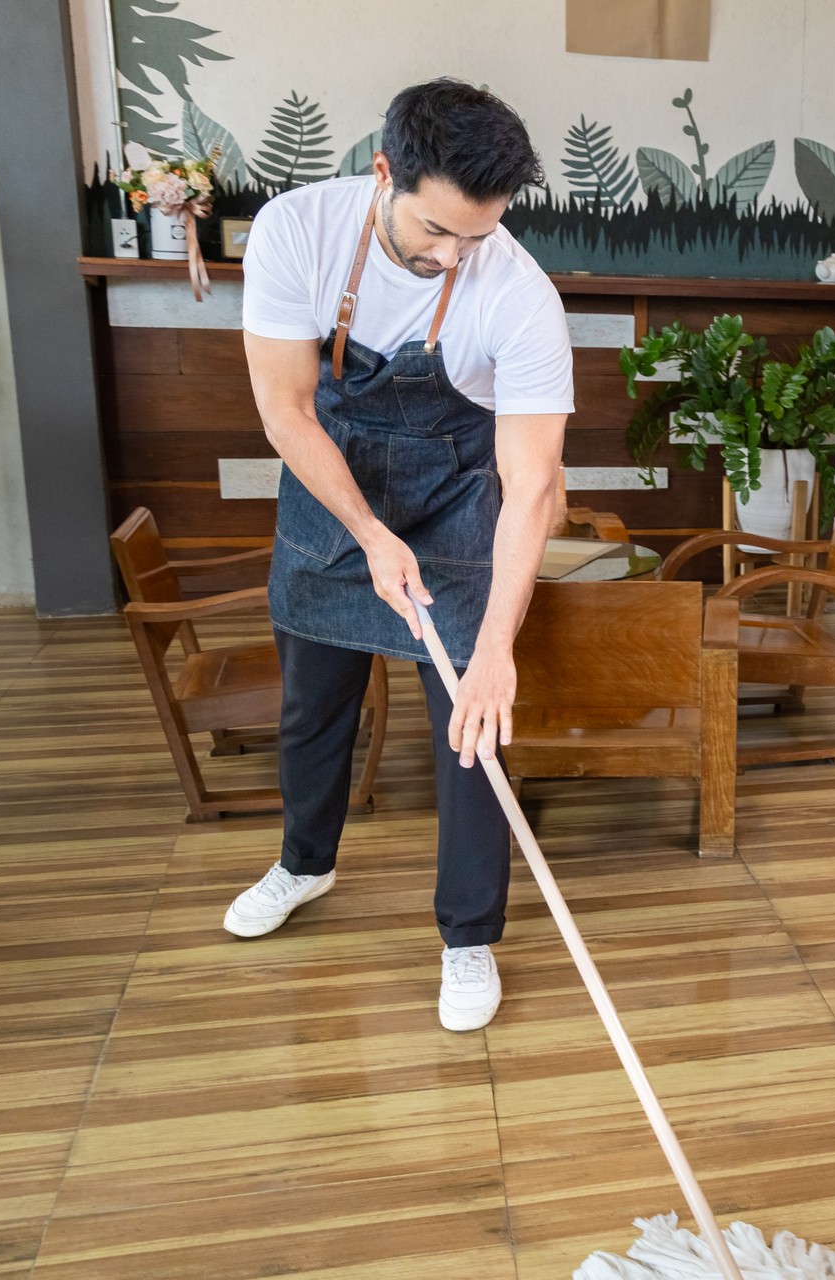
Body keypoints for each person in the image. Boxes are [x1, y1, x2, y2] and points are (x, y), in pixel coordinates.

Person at [222, 79, 572, 1032]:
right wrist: (370, 535)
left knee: (471, 728)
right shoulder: (297, 232)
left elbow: (533, 483)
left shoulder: (520, 292)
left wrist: (496, 646)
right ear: (384, 173)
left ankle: (469, 938)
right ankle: (304, 864)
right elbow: (288, 411)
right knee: (311, 706)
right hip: (334, 494)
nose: (455, 254)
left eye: (479, 234)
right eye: (437, 229)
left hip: (459, 499)